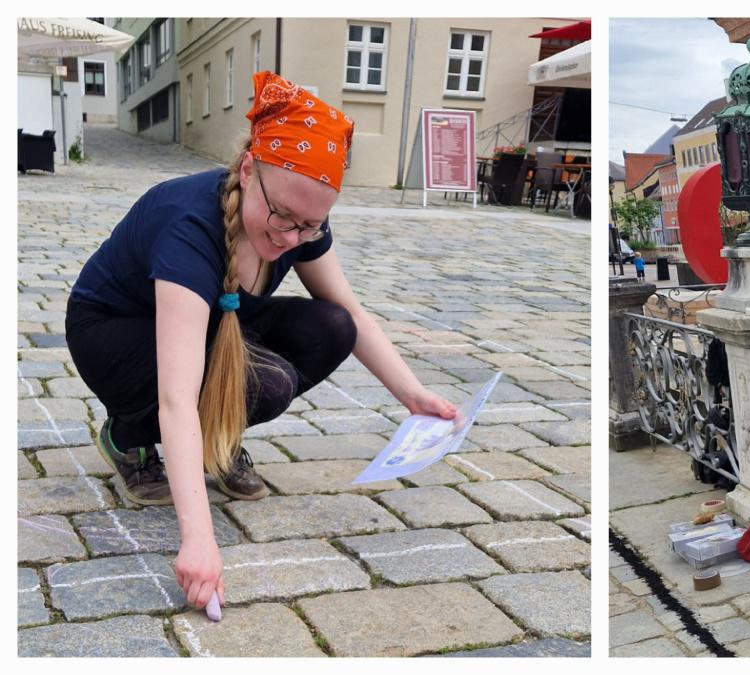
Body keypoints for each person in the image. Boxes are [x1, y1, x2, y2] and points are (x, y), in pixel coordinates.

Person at [64, 71, 458, 611]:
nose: (291, 237)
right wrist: (199, 538)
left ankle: (218, 441)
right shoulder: (188, 225)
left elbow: (351, 313)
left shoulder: (297, 221)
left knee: (330, 329)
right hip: (113, 334)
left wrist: (414, 396)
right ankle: (128, 434)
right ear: (249, 170)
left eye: (310, 226)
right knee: (264, 384)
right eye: (282, 217)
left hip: (211, 323)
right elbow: (180, 399)